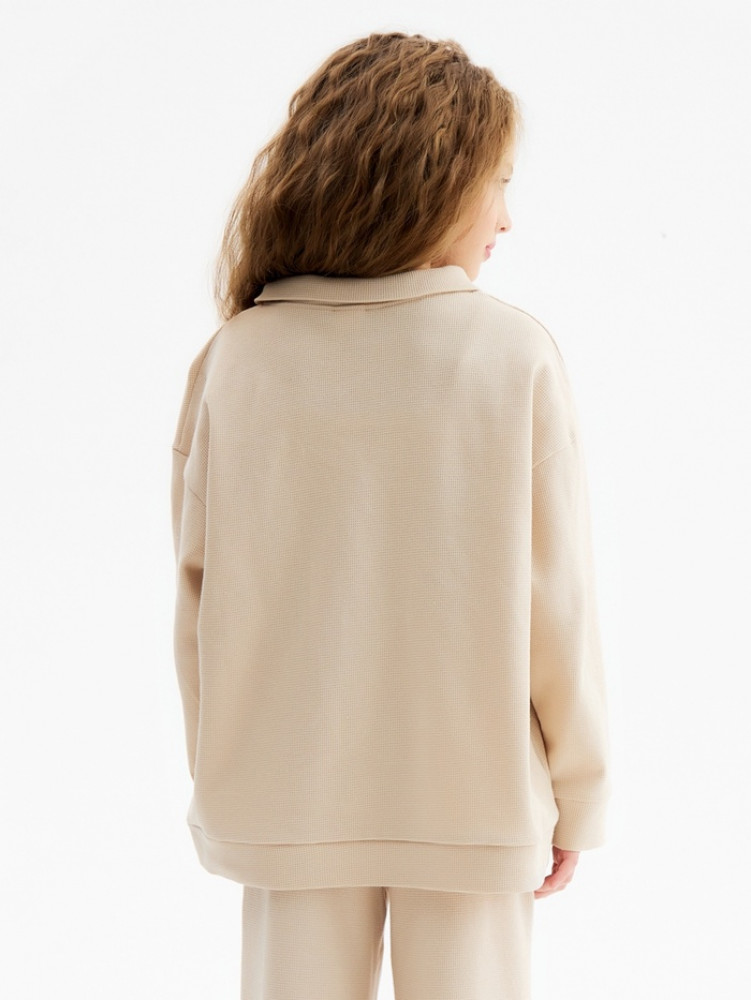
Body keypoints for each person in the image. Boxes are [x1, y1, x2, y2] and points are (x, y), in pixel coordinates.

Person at [170, 30, 611, 1000]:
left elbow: (201, 597)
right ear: (434, 183)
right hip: (474, 793)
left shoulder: (238, 357)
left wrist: (229, 768)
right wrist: (578, 789)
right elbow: (557, 608)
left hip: (288, 790)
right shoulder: (510, 357)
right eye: (497, 184)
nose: (507, 219)